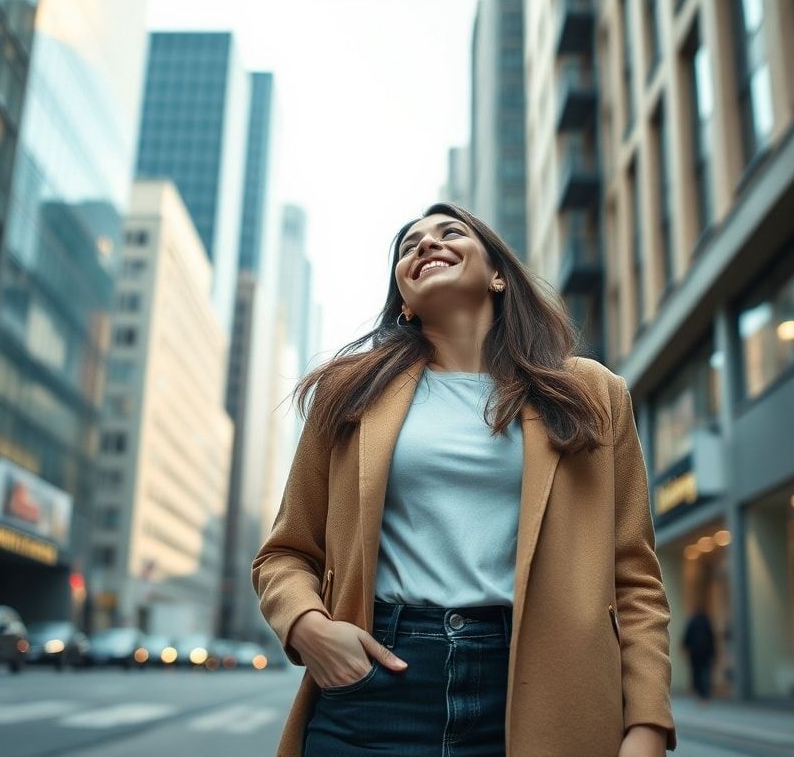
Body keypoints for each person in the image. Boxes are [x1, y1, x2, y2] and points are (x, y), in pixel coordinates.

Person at [252, 203, 676, 756]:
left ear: (498, 275)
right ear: (403, 301)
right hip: (379, 680)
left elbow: (635, 580)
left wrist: (645, 727)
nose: (426, 245)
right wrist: (308, 627)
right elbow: (284, 553)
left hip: (543, 689)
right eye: (409, 247)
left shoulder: (592, 394)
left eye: (450, 233)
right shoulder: (350, 394)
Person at [682, 608, 716, 704]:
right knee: (705, 672)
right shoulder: (707, 622)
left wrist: (684, 647)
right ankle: (705, 694)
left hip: (695, 652)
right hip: (706, 652)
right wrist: (713, 652)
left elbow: (687, 635)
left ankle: (700, 693)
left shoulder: (692, 622)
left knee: (696, 672)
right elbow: (711, 638)